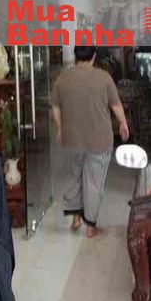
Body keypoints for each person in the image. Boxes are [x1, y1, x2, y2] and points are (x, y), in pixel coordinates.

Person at [51, 45, 129, 238]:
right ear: (94, 56)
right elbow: (115, 104)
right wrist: (123, 123)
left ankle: (76, 218)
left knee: (74, 177)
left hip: (72, 138)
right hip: (99, 139)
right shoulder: (104, 78)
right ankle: (91, 226)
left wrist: (60, 128)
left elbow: (56, 108)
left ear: (75, 56)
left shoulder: (62, 79)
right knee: (94, 182)